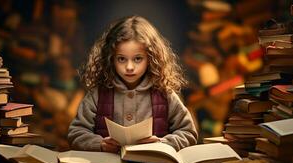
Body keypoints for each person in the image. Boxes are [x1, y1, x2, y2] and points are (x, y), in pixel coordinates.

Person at [68, 15, 198, 153]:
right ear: (111, 59)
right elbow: (76, 133)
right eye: (122, 59)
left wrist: (162, 143)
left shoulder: (164, 93)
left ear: (151, 58)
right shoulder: (97, 94)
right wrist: (100, 144)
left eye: (137, 59)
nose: (129, 67)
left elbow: (188, 133)